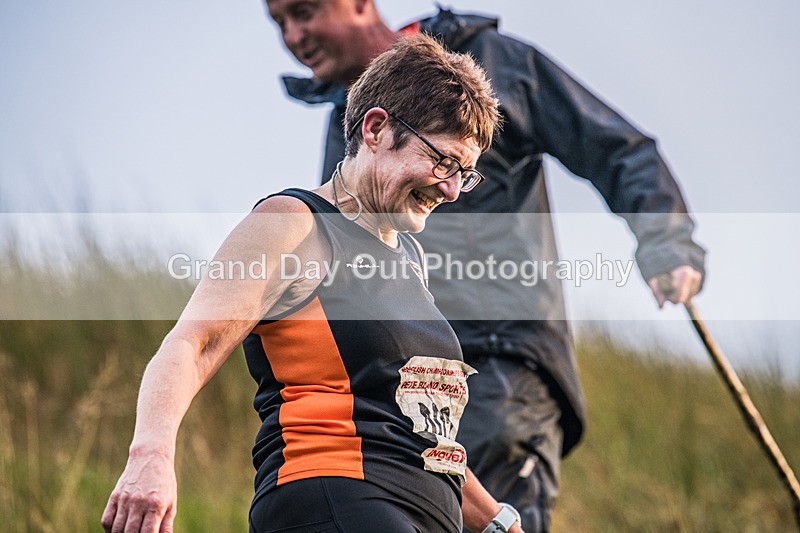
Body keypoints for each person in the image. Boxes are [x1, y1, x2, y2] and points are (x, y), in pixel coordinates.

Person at [265, 1, 706, 531]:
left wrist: (666, 242)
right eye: (279, 22)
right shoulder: (352, 126)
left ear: (359, 4)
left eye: (304, 11)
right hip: (406, 387)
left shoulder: (492, 64)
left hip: (502, 371)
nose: (294, 35)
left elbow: (617, 149)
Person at [101, 34, 522, 533]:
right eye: (443, 161)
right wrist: (150, 456)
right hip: (333, 498)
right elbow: (194, 343)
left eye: (465, 173)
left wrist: (499, 522)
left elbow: (422, 436)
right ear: (376, 129)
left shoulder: (409, 260)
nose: (451, 190)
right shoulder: (295, 222)